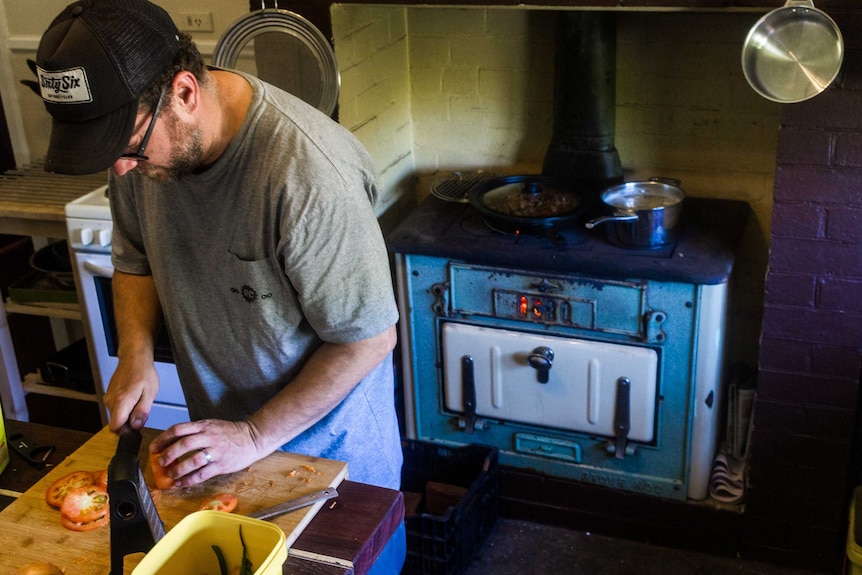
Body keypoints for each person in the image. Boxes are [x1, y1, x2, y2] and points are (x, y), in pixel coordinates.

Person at [32, 0, 403, 491]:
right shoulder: (137, 147)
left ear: (183, 92)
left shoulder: (308, 175)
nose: (120, 169)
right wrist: (135, 353)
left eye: (126, 147)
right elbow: (135, 260)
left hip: (330, 463)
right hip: (221, 451)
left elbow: (368, 339)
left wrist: (253, 434)